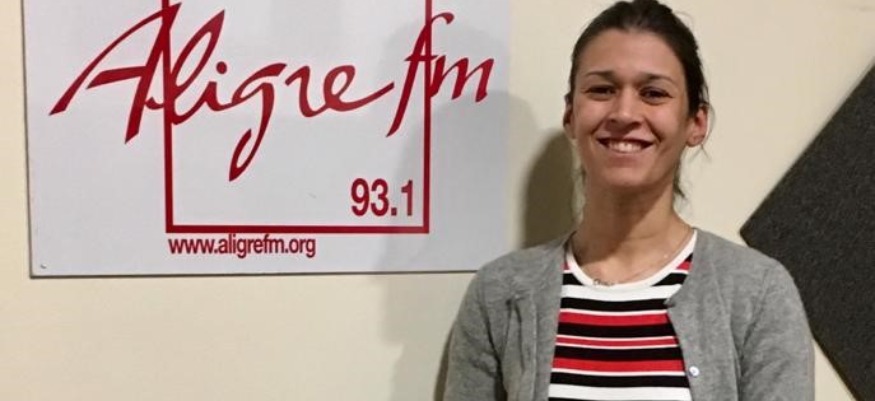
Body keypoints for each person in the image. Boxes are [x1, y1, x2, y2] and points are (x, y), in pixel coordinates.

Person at [442, 1, 813, 400]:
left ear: (696, 122)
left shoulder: (758, 293)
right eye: (602, 90)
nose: (624, 113)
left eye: (653, 93)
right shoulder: (500, 294)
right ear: (570, 115)